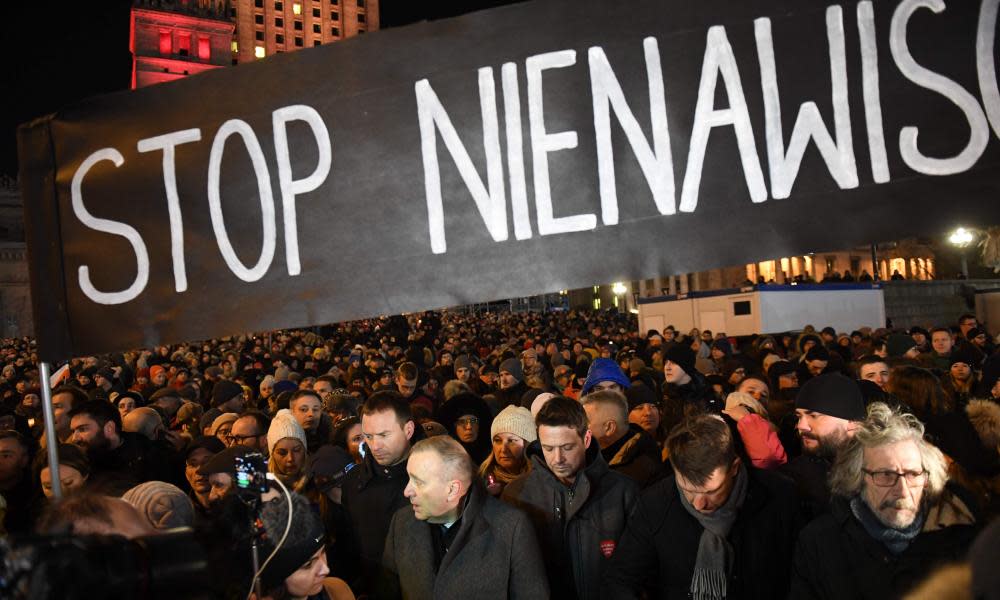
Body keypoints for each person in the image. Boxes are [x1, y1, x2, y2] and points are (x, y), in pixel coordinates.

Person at [790, 403, 980, 599]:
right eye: (885, 475)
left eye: (913, 474)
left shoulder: (963, 536)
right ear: (856, 478)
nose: (903, 491)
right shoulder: (819, 543)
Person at [603, 413, 801, 599]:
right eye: (686, 489)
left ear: (734, 467)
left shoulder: (780, 496)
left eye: (711, 491)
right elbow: (622, 578)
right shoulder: (654, 504)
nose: (699, 504)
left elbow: (800, 575)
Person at [378, 436, 549, 599]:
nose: (407, 491)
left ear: (452, 489)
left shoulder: (512, 527)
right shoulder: (401, 523)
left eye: (419, 482)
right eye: (409, 478)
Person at [502, 396, 638, 600]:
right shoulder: (516, 494)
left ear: (587, 439)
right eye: (548, 448)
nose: (557, 459)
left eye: (567, 447)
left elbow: (640, 568)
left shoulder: (623, 492)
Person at [339, 391, 421, 595]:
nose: (375, 446)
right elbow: (348, 543)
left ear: (408, 429)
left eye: (384, 435)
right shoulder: (353, 481)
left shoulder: (433, 480)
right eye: (368, 436)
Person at [779, 373, 865, 520]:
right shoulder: (789, 479)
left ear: (852, 422)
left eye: (813, 416)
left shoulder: (884, 471)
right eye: (799, 416)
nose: (801, 426)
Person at [255, 491, 355, 600]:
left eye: (323, 552)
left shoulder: (337, 591)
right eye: (308, 565)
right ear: (276, 578)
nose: (326, 569)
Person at [68, 399, 170, 495]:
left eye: (82, 429)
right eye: (73, 431)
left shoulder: (151, 456)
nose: (74, 438)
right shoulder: (81, 463)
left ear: (109, 428)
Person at [582, 389, 665, 489]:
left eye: (585, 421)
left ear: (609, 428)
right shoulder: (588, 452)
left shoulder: (634, 474)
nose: (577, 426)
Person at [478, 405, 536, 497]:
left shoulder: (541, 482)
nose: (504, 449)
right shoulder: (482, 482)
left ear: (527, 444)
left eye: (511, 441)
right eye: (497, 440)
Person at [436, 392, 494, 464]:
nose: (469, 427)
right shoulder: (444, 458)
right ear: (454, 426)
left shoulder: (492, 457)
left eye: (473, 421)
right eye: (461, 422)